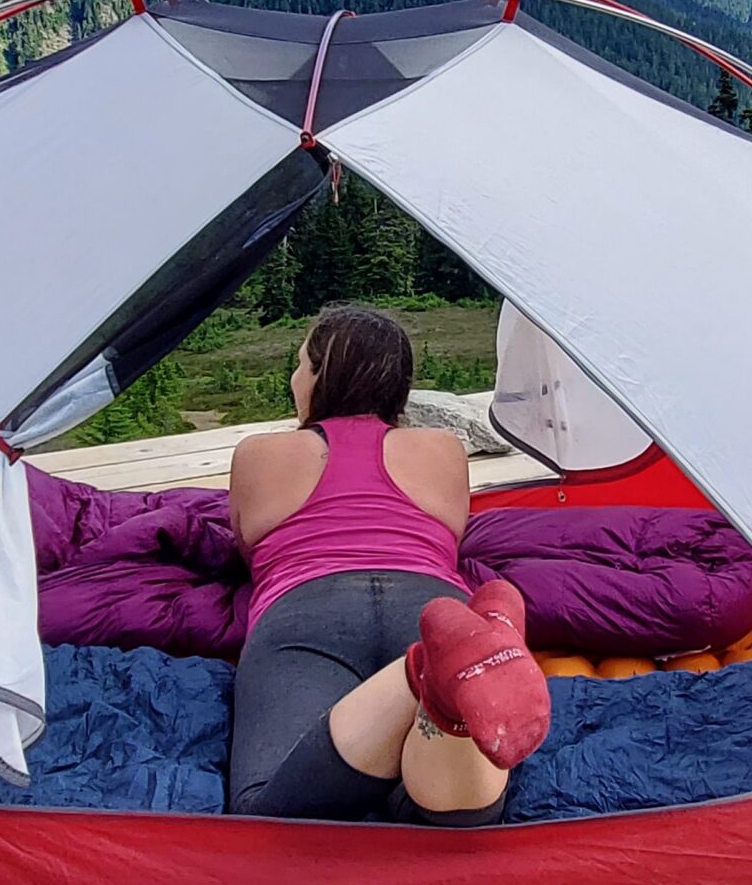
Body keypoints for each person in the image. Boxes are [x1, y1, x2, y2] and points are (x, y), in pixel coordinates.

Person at [226, 304, 551, 824]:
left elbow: (247, 550)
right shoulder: (442, 448)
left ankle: (424, 674)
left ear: (318, 376)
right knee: (445, 819)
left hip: (307, 609)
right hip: (430, 604)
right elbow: (452, 540)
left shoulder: (260, 453)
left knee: (267, 808)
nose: (294, 377)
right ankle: (442, 685)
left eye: (301, 363)